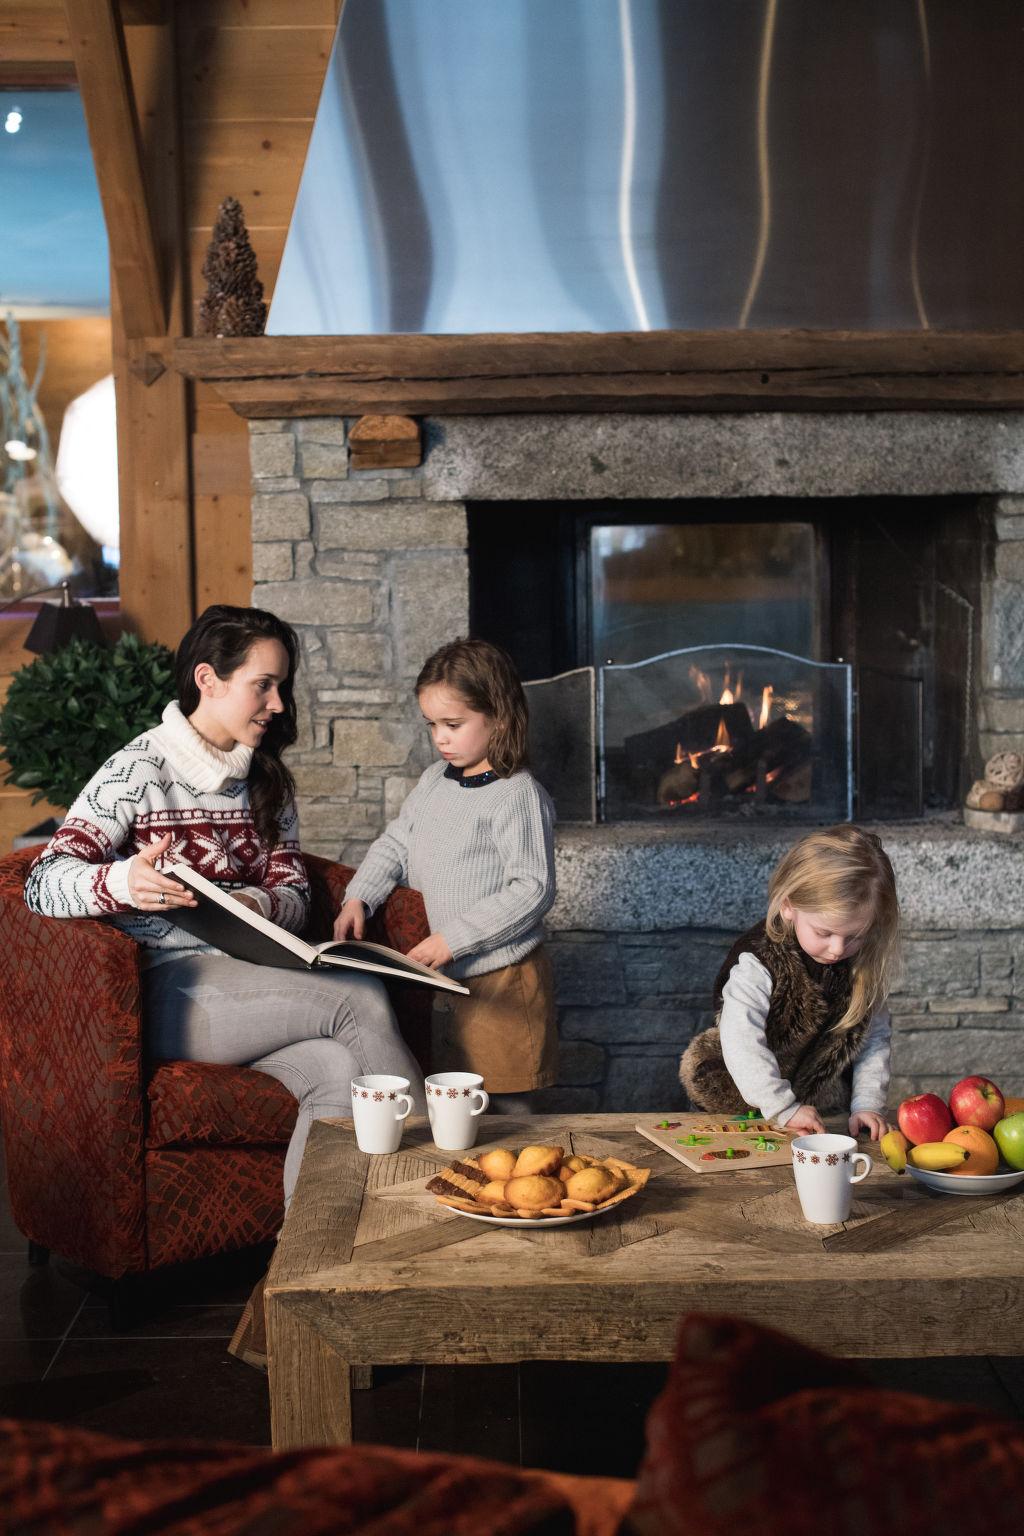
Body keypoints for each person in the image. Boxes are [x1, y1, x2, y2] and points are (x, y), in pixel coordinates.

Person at [24, 604, 424, 1211]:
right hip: (163, 993)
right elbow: (43, 882)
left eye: (282, 686)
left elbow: (294, 893)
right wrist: (125, 882)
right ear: (208, 680)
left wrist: (248, 903)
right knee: (359, 997)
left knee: (337, 1071)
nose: (280, 704)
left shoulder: (266, 781)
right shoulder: (136, 772)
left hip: (255, 985)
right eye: (263, 685)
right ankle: (442, 1190)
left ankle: (315, 1269)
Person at [335, 638, 557, 1114]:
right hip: (448, 978)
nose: (440, 737)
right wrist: (359, 898)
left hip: (501, 978)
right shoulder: (435, 780)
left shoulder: (516, 794)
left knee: (507, 1106)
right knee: (456, 1100)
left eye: (453, 725)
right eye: (432, 724)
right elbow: (397, 841)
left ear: (498, 716)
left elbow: (532, 888)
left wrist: (453, 939)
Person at [678, 825, 898, 1139]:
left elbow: (873, 1041)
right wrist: (783, 1107)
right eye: (824, 933)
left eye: (854, 936)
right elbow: (741, 1039)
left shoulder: (862, 967)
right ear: (788, 905)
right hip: (735, 1104)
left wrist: (868, 1104)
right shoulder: (757, 962)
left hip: (813, 1109)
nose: (838, 949)